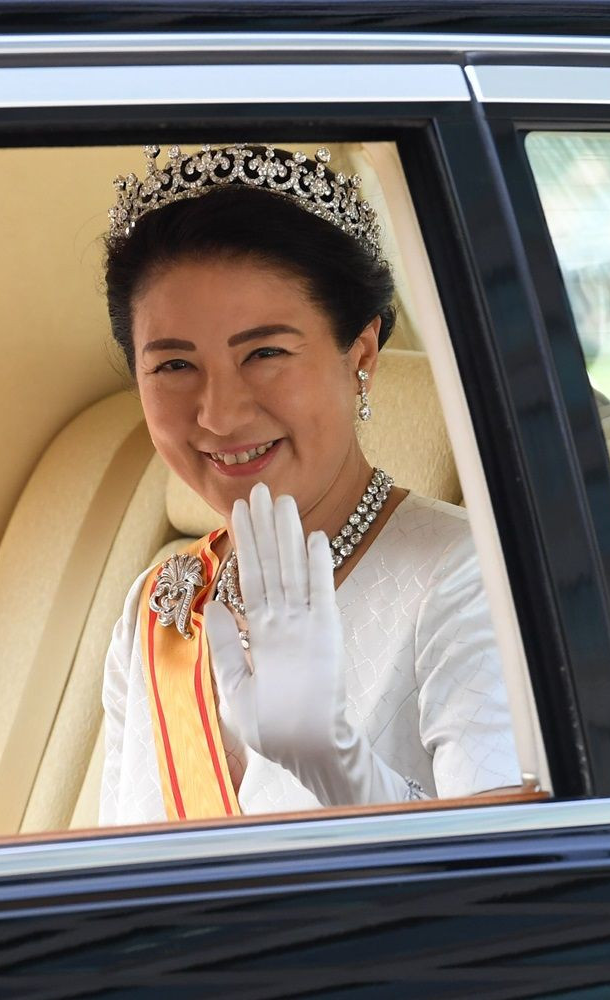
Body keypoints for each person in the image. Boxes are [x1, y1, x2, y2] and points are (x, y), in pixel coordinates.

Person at [99, 144, 521, 824]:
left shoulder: (472, 580)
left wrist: (334, 761)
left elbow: (506, 870)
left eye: (265, 353)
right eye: (174, 365)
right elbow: (113, 870)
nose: (219, 415)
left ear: (361, 355)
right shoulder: (157, 607)